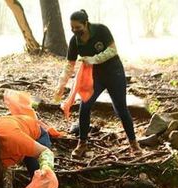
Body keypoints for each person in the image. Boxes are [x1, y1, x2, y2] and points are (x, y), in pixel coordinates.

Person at [53, 9, 141, 158]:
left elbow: (112, 50)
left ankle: (133, 143)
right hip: (95, 77)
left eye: (78, 28)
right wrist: (61, 85)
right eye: (72, 28)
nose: (75, 31)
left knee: (120, 108)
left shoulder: (101, 30)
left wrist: (93, 59)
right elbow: (69, 65)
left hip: (114, 73)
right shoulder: (74, 41)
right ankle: (82, 143)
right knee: (85, 106)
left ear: (86, 23)